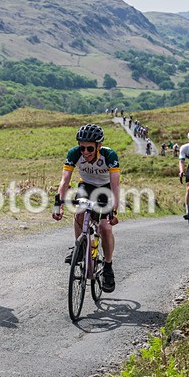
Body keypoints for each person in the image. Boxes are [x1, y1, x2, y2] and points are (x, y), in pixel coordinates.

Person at [52, 124, 120, 292]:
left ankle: (108, 266)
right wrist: (58, 205)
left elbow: (115, 185)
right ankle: (80, 247)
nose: (85, 152)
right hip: (86, 186)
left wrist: (113, 211)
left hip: (106, 189)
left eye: (90, 148)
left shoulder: (109, 155)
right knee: (79, 211)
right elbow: (65, 181)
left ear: (99, 146)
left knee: (105, 227)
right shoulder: (74, 153)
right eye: (82, 147)